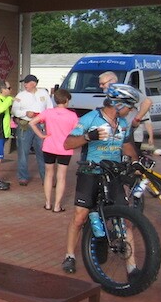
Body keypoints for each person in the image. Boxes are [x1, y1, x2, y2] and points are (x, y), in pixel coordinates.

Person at [60, 84, 139, 275]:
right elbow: (67, 143)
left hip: (113, 174)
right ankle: (69, 256)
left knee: (126, 220)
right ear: (118, 104)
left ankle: (132, 267)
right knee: (80, 217)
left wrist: (136, 164)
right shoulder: (90, 118)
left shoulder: (123, 124)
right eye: (129, 106)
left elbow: (127, 145)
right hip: (90, 173)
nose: (131, 110)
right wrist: (89, 136)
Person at [29, 88, 79, 212]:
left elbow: (32, 123)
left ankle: (47, 203)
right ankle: (57, 205)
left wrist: (41, 135)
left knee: (48, 174)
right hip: (65, 147)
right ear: (66, 100)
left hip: (49, 145)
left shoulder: (48, 112)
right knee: (61, 176)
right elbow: (78, 131)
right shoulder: (72, 115)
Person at [98, 71, 153, 155]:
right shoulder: (109, 94)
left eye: (103, 83)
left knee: (129, 158)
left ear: (112, 81)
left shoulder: (125, 91)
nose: (100, 86)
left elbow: (147, 102)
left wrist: (137, 119)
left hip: (127, 131)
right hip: (114, 132)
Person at [12, 74, 53, 186]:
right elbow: (14, 110)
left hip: (40, 125)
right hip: (26, 125)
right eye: (24, 83)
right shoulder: (20, 95)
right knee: (23, 151)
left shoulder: (44, 94)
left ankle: (46, 177)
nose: (25, 85)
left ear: (34, 83)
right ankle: (23, 176)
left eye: (27, 83)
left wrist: (46, 120)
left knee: (42, 152)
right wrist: (25, 113)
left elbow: (50, 108)